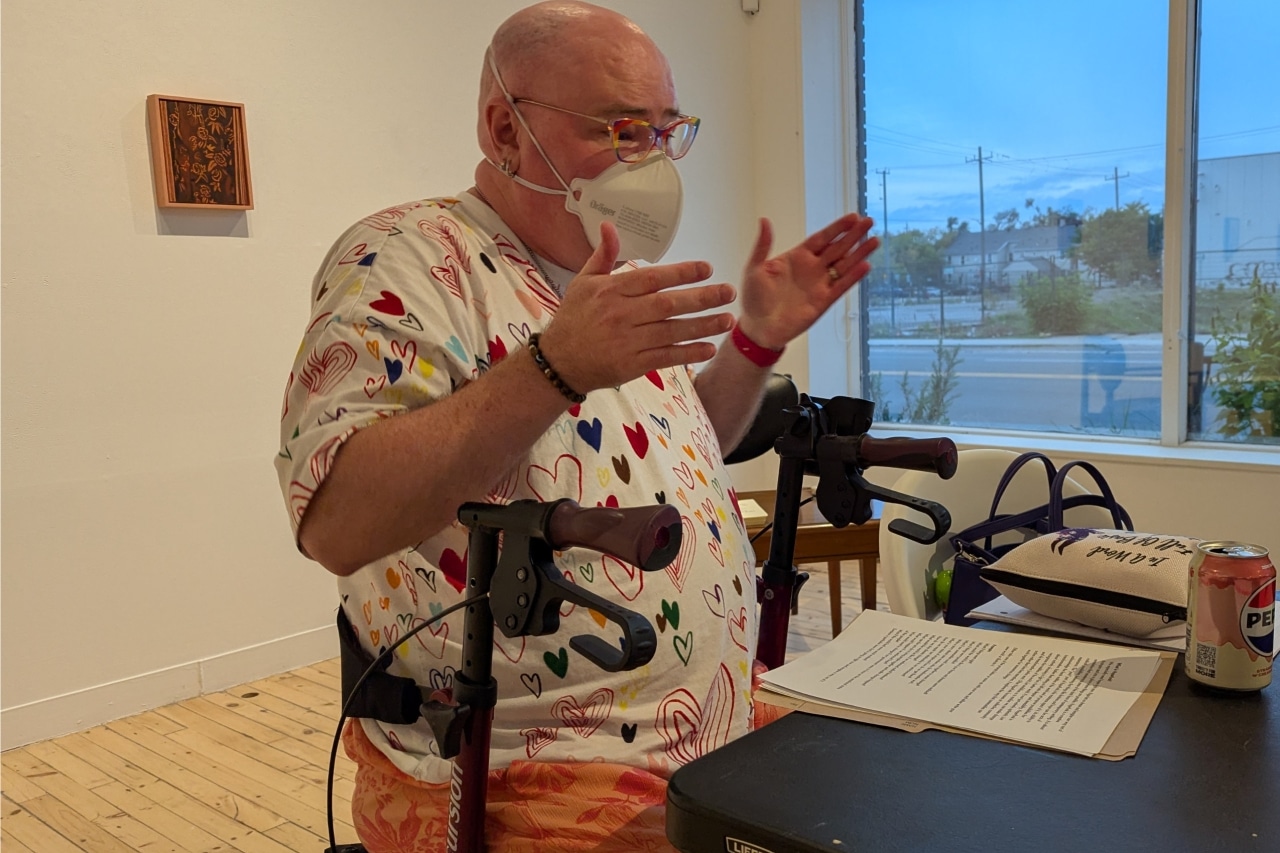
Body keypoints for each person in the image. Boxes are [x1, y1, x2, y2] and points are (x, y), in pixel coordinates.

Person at [275, 3, 878, 850]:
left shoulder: (609, 281)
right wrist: (552, 368)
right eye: (622, 130)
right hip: (520, 772)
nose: (654, 161)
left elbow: (673, 451)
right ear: (504, 128)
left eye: (667, 132)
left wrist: (756, 339)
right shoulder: (407, 258)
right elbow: (337, 520)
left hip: (707, 731)